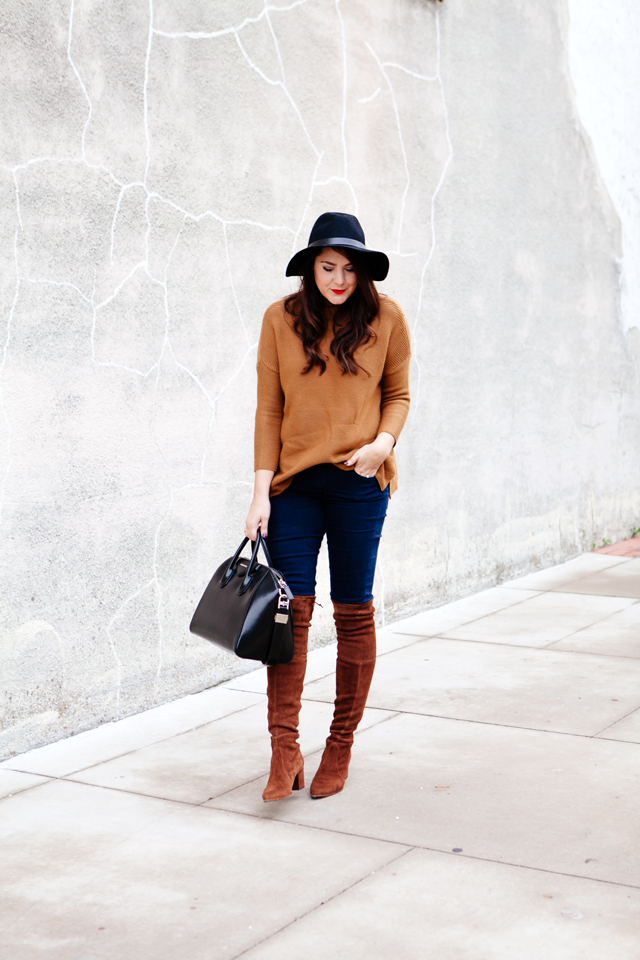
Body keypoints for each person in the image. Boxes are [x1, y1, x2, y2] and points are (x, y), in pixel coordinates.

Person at [244, 211, 411, 801]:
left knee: (352, 611)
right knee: (287, 615)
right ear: (310, 268)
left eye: (348, 268)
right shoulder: (278, 320)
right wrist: (260, 492)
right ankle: (284, 748)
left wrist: (381, 446)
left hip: (359, 483)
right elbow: (269, 410)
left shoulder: (386, 317)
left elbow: (398, 394)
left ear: (363, 271)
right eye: (327, 266)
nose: (338, 279)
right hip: (295, 488)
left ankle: (339, 744)